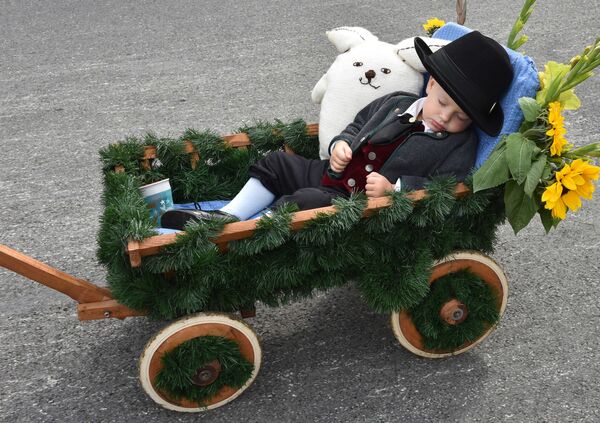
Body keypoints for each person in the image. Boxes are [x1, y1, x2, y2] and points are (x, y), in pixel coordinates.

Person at [161, 31, 514, 230]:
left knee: (306, 203)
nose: (446, 118)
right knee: (276, 163)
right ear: (431, 84)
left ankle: (250, 233)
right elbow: (359, 124)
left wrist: (396, 188)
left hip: (352, 202)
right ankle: (229, 216)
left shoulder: (458, 145)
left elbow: (447, 185)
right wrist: (342, 144)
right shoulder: (395, 102)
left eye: (461, 117)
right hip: (329, 172)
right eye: (443, 103)